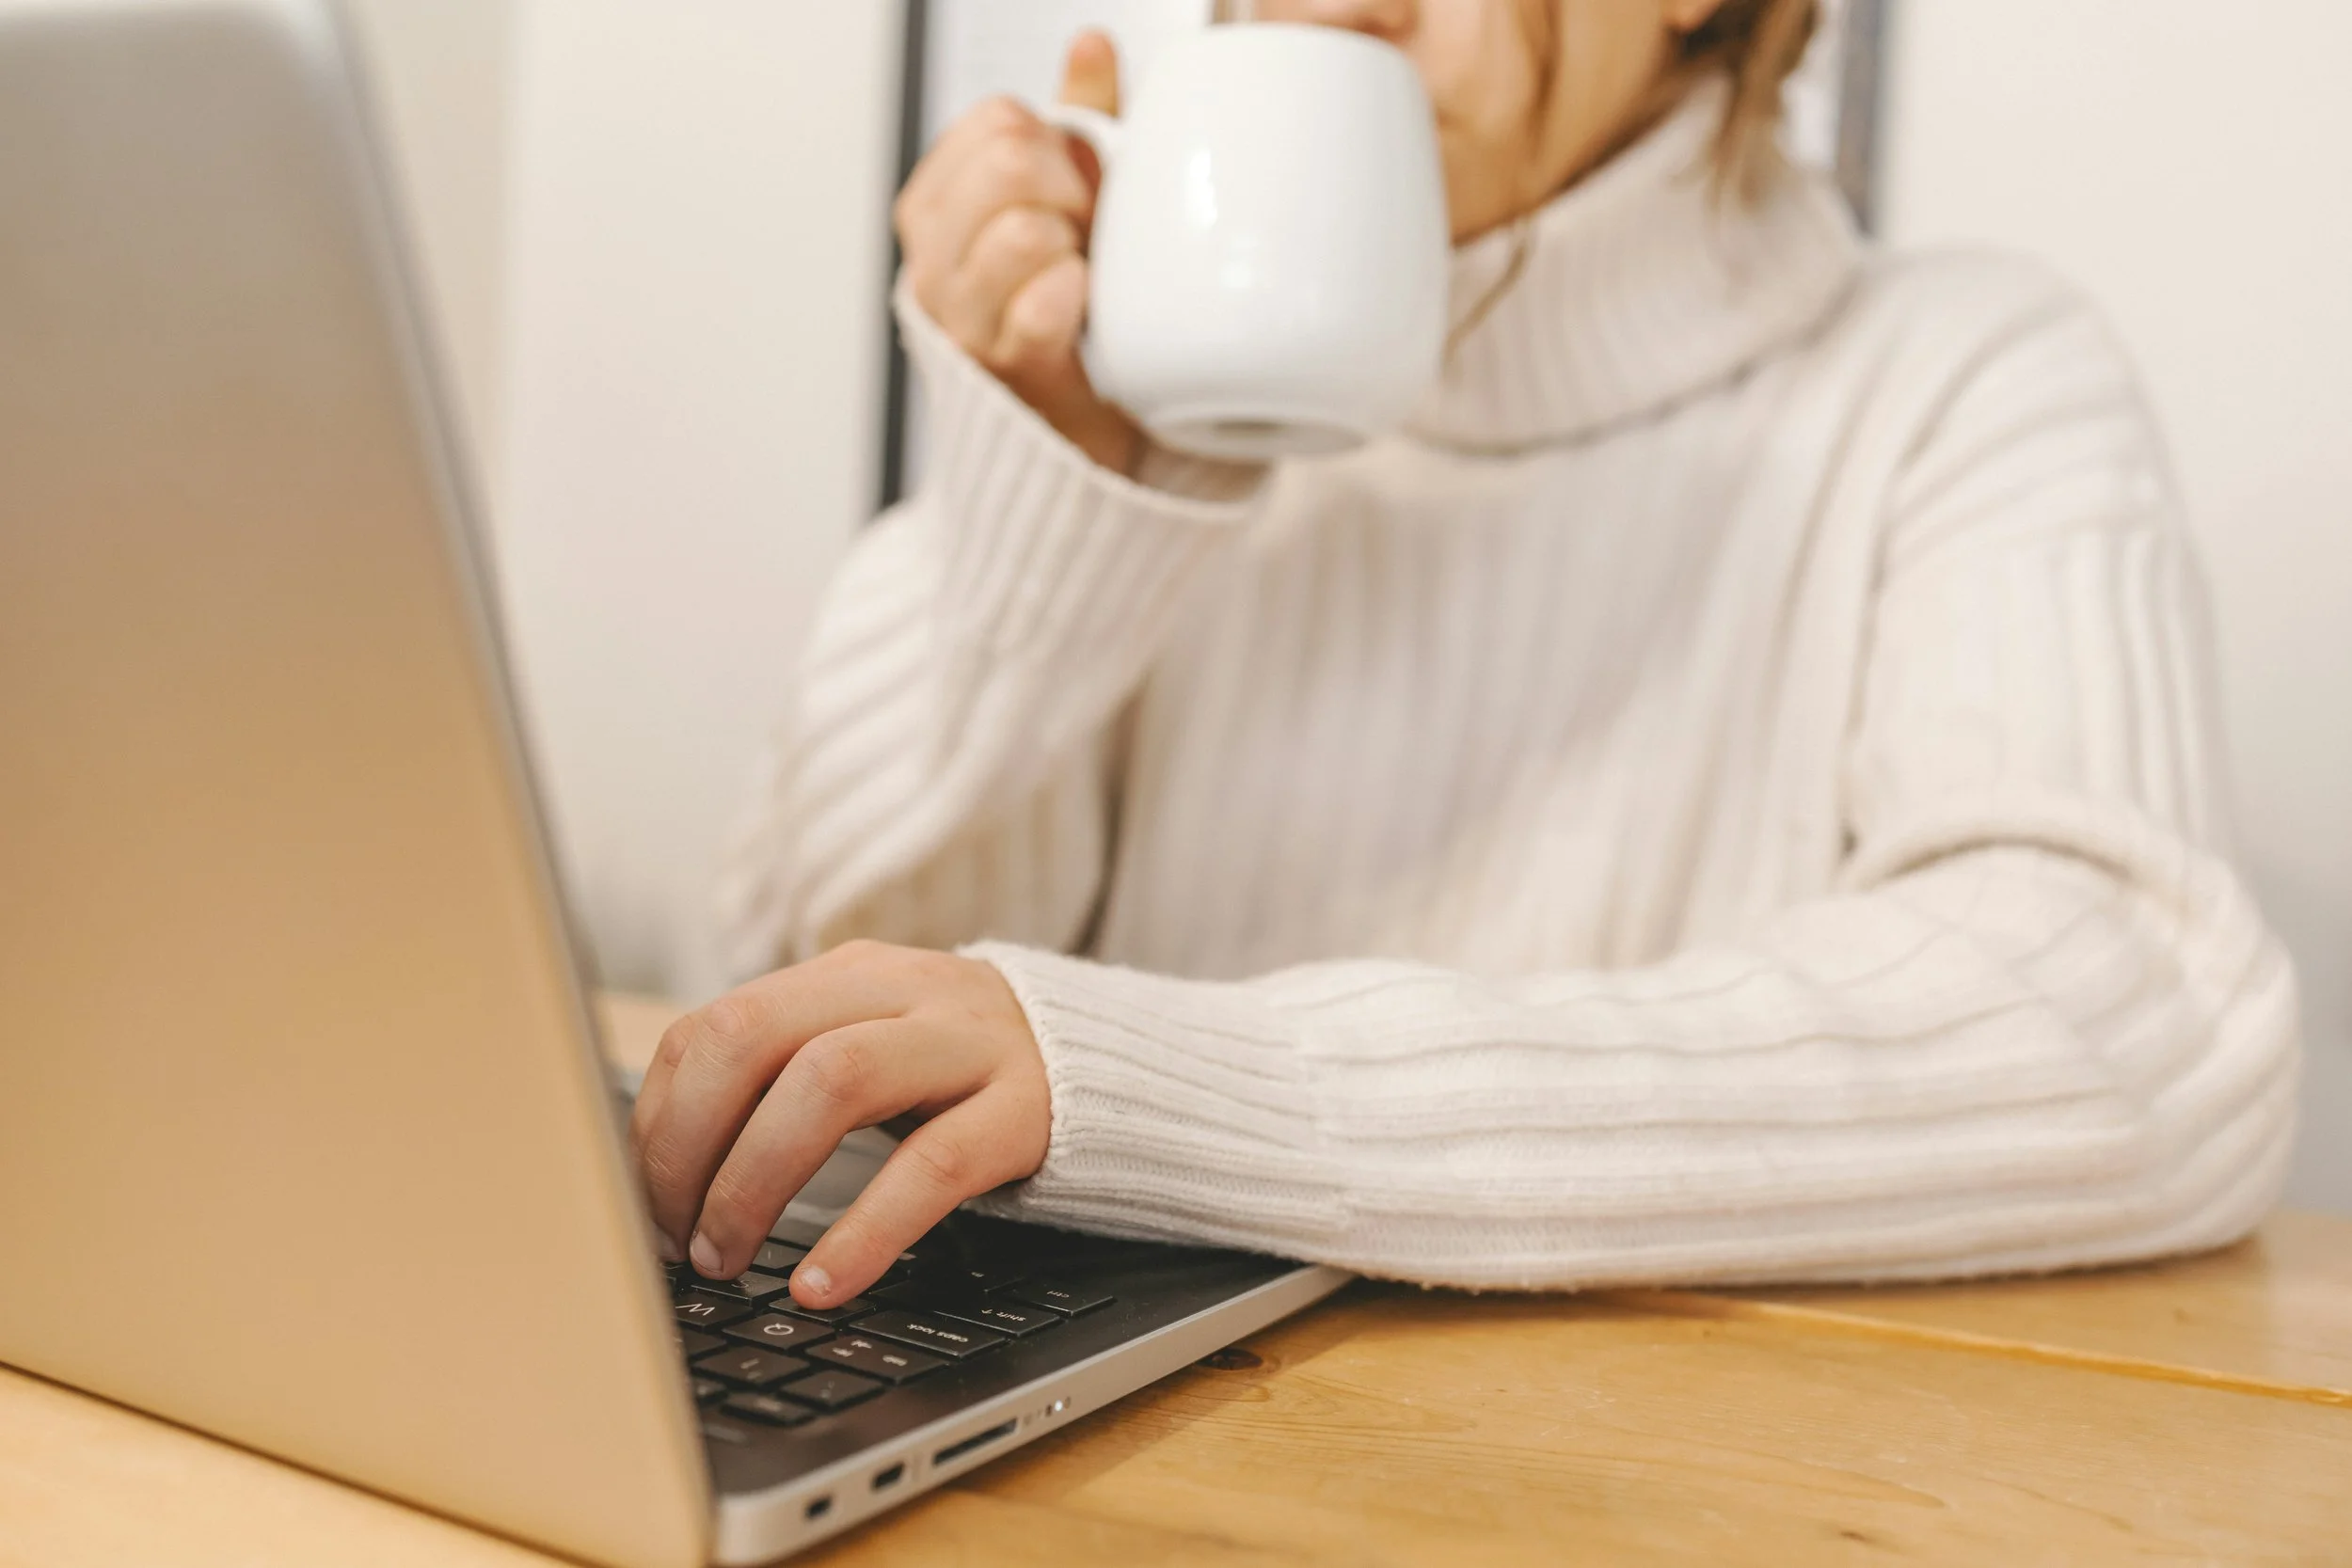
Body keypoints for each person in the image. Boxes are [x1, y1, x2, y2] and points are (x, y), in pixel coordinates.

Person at [629, 0, 2300, 1312]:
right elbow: (793, 1039)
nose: (1337, 3)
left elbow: (2134, 1029)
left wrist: (1193, 1093)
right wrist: (1056, 499)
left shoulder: (1961, 377)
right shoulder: (1170, 411)